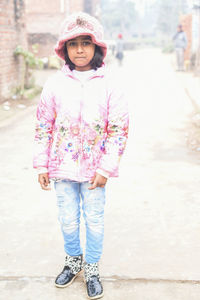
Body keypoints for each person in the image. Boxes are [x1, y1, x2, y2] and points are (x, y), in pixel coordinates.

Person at [33, 12, 129, 300]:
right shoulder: (54, 85)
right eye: (73, 44)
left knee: (95, 219)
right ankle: (73, 260)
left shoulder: (111, 84)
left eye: (86, 43)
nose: (79, 50)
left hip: (94, 172)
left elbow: (118, 130)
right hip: (61, 167)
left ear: (97, 47)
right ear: (64, 49)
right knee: (68, 219)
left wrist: (106, 168)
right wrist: (41, 163)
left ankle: (91, 268)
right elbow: (42, 127)